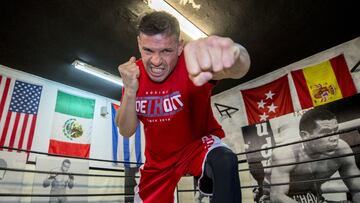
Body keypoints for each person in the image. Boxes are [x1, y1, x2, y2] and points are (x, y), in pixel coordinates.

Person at [116, 11, 250, 203]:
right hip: (157, 163)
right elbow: (126, 130)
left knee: (225, 160)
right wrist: (129, 90)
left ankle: (207, 181)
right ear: (139, 43)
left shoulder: (191, 63)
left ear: (179, 47)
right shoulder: (133, 75)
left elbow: (239, 69)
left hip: (196, 146)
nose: (156, 61)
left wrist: (235, 53)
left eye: (166, 51)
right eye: (148, 50)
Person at [269, 108, 360, 203]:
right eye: (325, 132)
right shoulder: (286, 154)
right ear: (305, 136)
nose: (334, 138)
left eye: (336, 130)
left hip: (317, 198)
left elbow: (357, 190)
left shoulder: (342, 150)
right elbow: (277, 197)